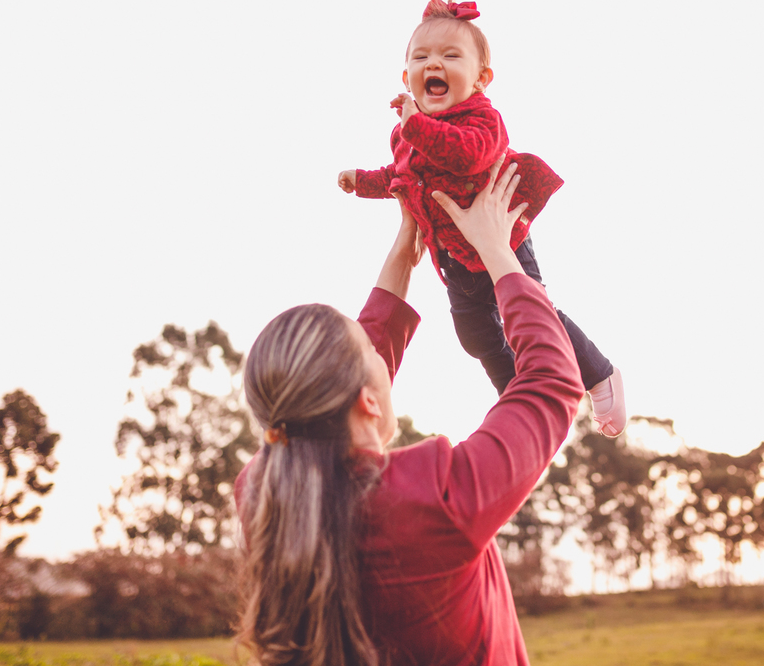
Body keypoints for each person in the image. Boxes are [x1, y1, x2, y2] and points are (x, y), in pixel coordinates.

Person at [235, 160, 585, 666]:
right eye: (372, 352)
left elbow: (333, 386)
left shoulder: (263, 494)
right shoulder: (437, 498)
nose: (380, 348)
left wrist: (405, 246)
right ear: (367, 400)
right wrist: (499, 254)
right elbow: (551, 383)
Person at [337, 0, 625, 436]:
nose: (434, 64)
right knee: (472, 334)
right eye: (422, 57)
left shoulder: (482, 118)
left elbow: (467, 156)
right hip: (453, 257)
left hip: (501, 240)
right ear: (406, 76)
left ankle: (600, 374)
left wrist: (416, 125)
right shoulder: (404, 133)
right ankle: (516, 394)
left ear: (480, 80)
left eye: (451, 56)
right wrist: (362, 182)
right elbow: (399, 175)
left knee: (532, 313)